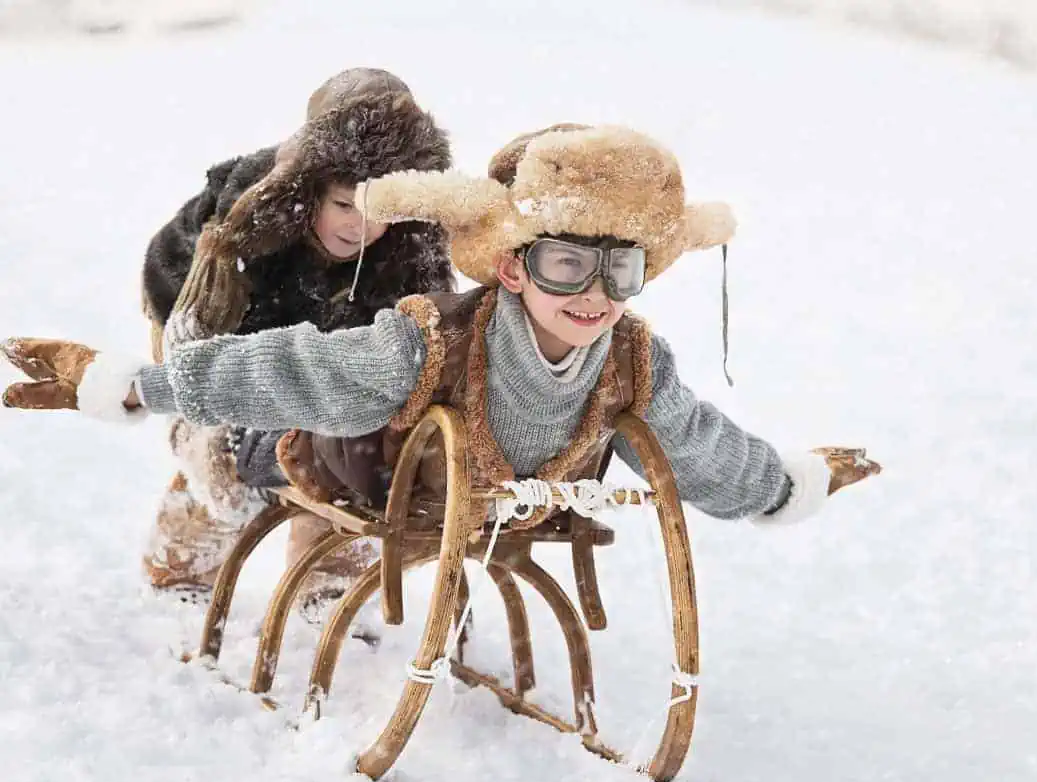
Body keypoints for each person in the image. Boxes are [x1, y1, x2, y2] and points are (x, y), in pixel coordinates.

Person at [2, 123, 879, 535]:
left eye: (622, 270)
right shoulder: (431, 340)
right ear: (511, 265)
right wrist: (141, 382)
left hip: (524, 507)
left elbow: (695, 442)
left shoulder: (633, 361)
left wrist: (780, 485)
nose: (594, 296)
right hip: (372, 472)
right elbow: (300, 368)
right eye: (567, 264)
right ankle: (210, 493)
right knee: (255, 451)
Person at [136, 67, 455, 606]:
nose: (361, 226)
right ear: (312, 189)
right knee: (221, 457)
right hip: (228, 374)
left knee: (356, 459)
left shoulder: (411, 245)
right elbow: (185, 330)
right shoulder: (245, 217)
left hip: (336, 397)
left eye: (381, 210)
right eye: (344, 204)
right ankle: (183, 573)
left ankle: (329, 590)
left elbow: (425, 343)